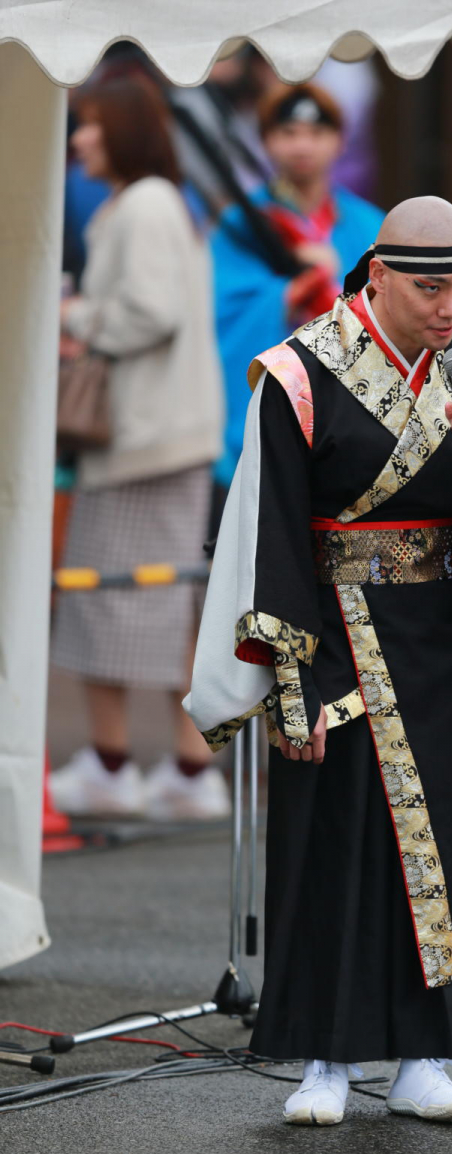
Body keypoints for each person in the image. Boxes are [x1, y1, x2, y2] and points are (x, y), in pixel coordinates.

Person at [184, 196, 452, 1124]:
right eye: (432, 287)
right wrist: (294, 679)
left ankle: (427, 1059)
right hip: (335, 632)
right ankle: (325, 1059)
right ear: (380, 275)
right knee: (336, 847)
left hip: (446, 636)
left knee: (451, 851)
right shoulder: (301, 371)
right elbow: (270, 526)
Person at [50, 77, 228, 822]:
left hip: (148, 437)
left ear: (120, 131)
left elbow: (147, 313)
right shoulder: (159, 199)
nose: (78, 141)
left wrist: (75, 315)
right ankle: (170, 767)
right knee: (148, 602)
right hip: (164, 436)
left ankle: (131, 764)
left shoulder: (143, 203)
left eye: (89, 126)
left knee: (118, 598)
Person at [210, 82, 383, 500]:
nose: (302, 145)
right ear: (266, 141)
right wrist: (287, 294)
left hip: (348, 412)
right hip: (266, 402)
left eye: (316, 133)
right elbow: (218, 312)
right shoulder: (240, 225)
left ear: (340, 141)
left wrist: (338, 278)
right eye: (287, 133)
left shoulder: (371, 224)